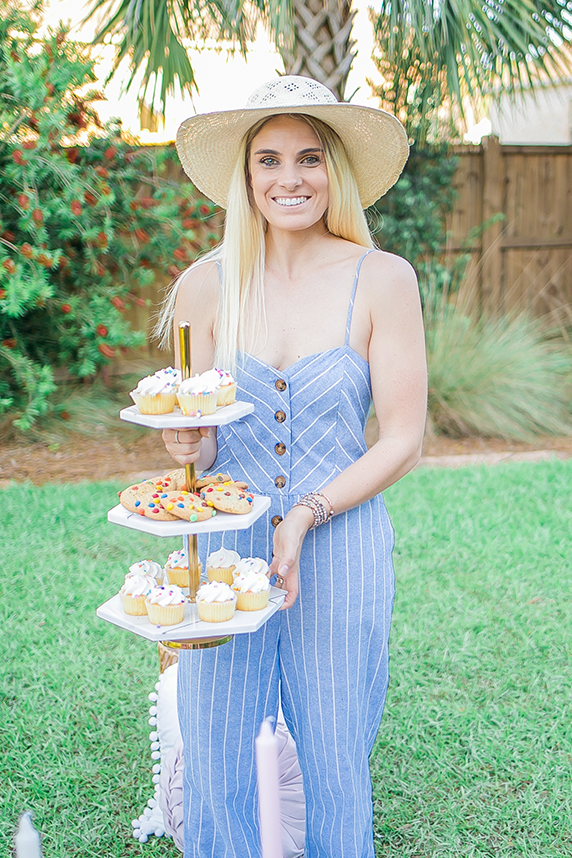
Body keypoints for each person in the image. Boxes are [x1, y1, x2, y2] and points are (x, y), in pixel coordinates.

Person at [157, 76, 427, 858]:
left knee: (338, 759)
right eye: (269, 160)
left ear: (334, 171)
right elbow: (200, 442)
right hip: (227, 554)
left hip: (341, 547)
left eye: (309, 158)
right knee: (217, 759)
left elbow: (402, 438)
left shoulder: (383, 279)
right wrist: (188, 444)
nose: (290, 179)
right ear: (246, 176)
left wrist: (308, 513)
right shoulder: (203, 287)